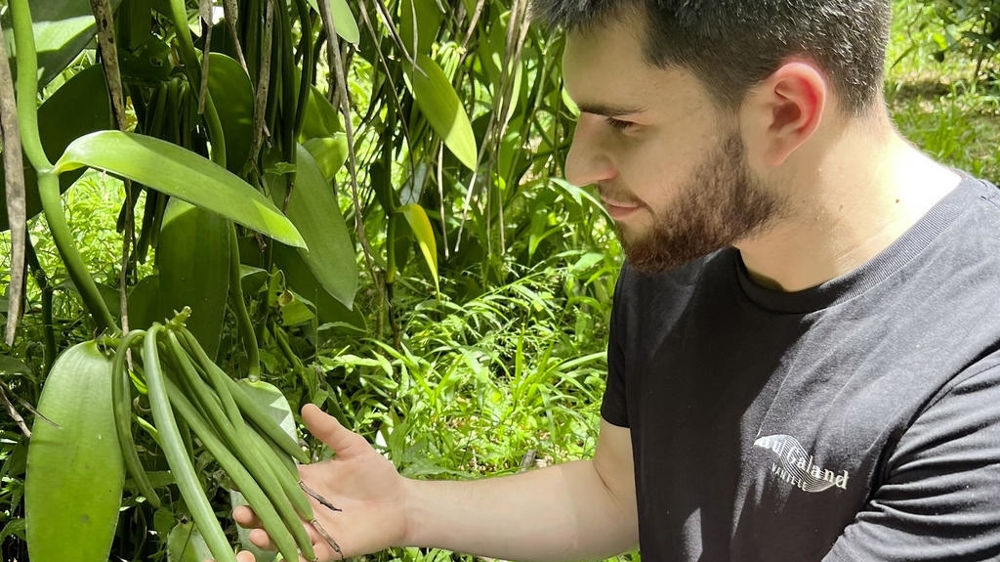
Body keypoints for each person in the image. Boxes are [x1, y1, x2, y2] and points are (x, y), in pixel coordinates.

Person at [227, 1, 1000, 560]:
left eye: (622, 124)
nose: (577, 167)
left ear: (786, 112)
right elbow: (618, 492)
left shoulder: (974, 370)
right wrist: (405, 507)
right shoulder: (681, 254)